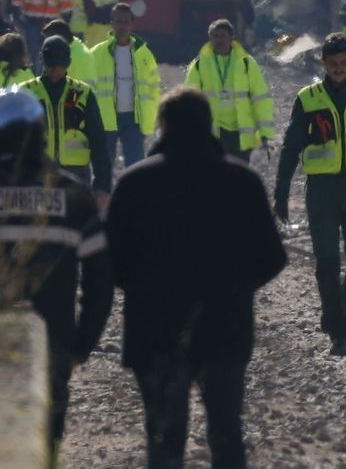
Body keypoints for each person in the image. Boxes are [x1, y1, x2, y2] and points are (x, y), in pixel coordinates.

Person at [108, 86, 286, 469]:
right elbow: (272, 257)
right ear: (209, 125)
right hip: (225, 325)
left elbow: (111, 261)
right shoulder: (242, 181)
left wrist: (144, 289)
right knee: (226, 433)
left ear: (163, 126)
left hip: (154, 328)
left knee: (164, 439)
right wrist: (234, 289)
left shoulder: (135, 183)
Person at [0, 86, 113, 463]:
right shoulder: (73, 195)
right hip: (53, 344)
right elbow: (101, 280)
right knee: (45, 440)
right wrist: (82, 343)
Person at [274, 33, 346, 356]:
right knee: (327, 264)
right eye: (333, 64)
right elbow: (290, 148)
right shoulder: (308, 99)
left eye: (344, 62)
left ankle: (337, 316)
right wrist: (281, 193)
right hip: (322, 193)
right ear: (323, 63)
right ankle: (340, 335)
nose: (339, 69)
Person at [25, 35, 112, 200]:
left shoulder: (82, 93)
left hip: (76, 176)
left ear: (67, 63)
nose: (54, 70)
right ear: (42, 60)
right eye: (50, 65)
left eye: (59, 66)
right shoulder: (27, 92)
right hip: (37, 174)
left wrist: (102, 185)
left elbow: (98, 140)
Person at [184, 19, 273, 160]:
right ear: (210, 38)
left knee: (238, 173)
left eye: (223, 36)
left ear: (232, 38)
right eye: (216, 36)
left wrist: (265, 133)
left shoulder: (247, 63)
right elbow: (189, 102)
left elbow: (261, 99)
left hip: (241, 134)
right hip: (213, 133)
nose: (219, 40)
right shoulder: (199, 65)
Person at [88, 3, 161, 172]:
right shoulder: (97, 53)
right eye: (118, 21)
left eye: (126, 21)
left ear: (132, 24)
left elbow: (154, 87)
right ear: (112, 23)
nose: (122, 25)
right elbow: (88, 88)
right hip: (105, 119)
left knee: (136, 168)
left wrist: (150, 118)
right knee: (103, 168)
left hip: (134, 119)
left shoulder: (144, 53)